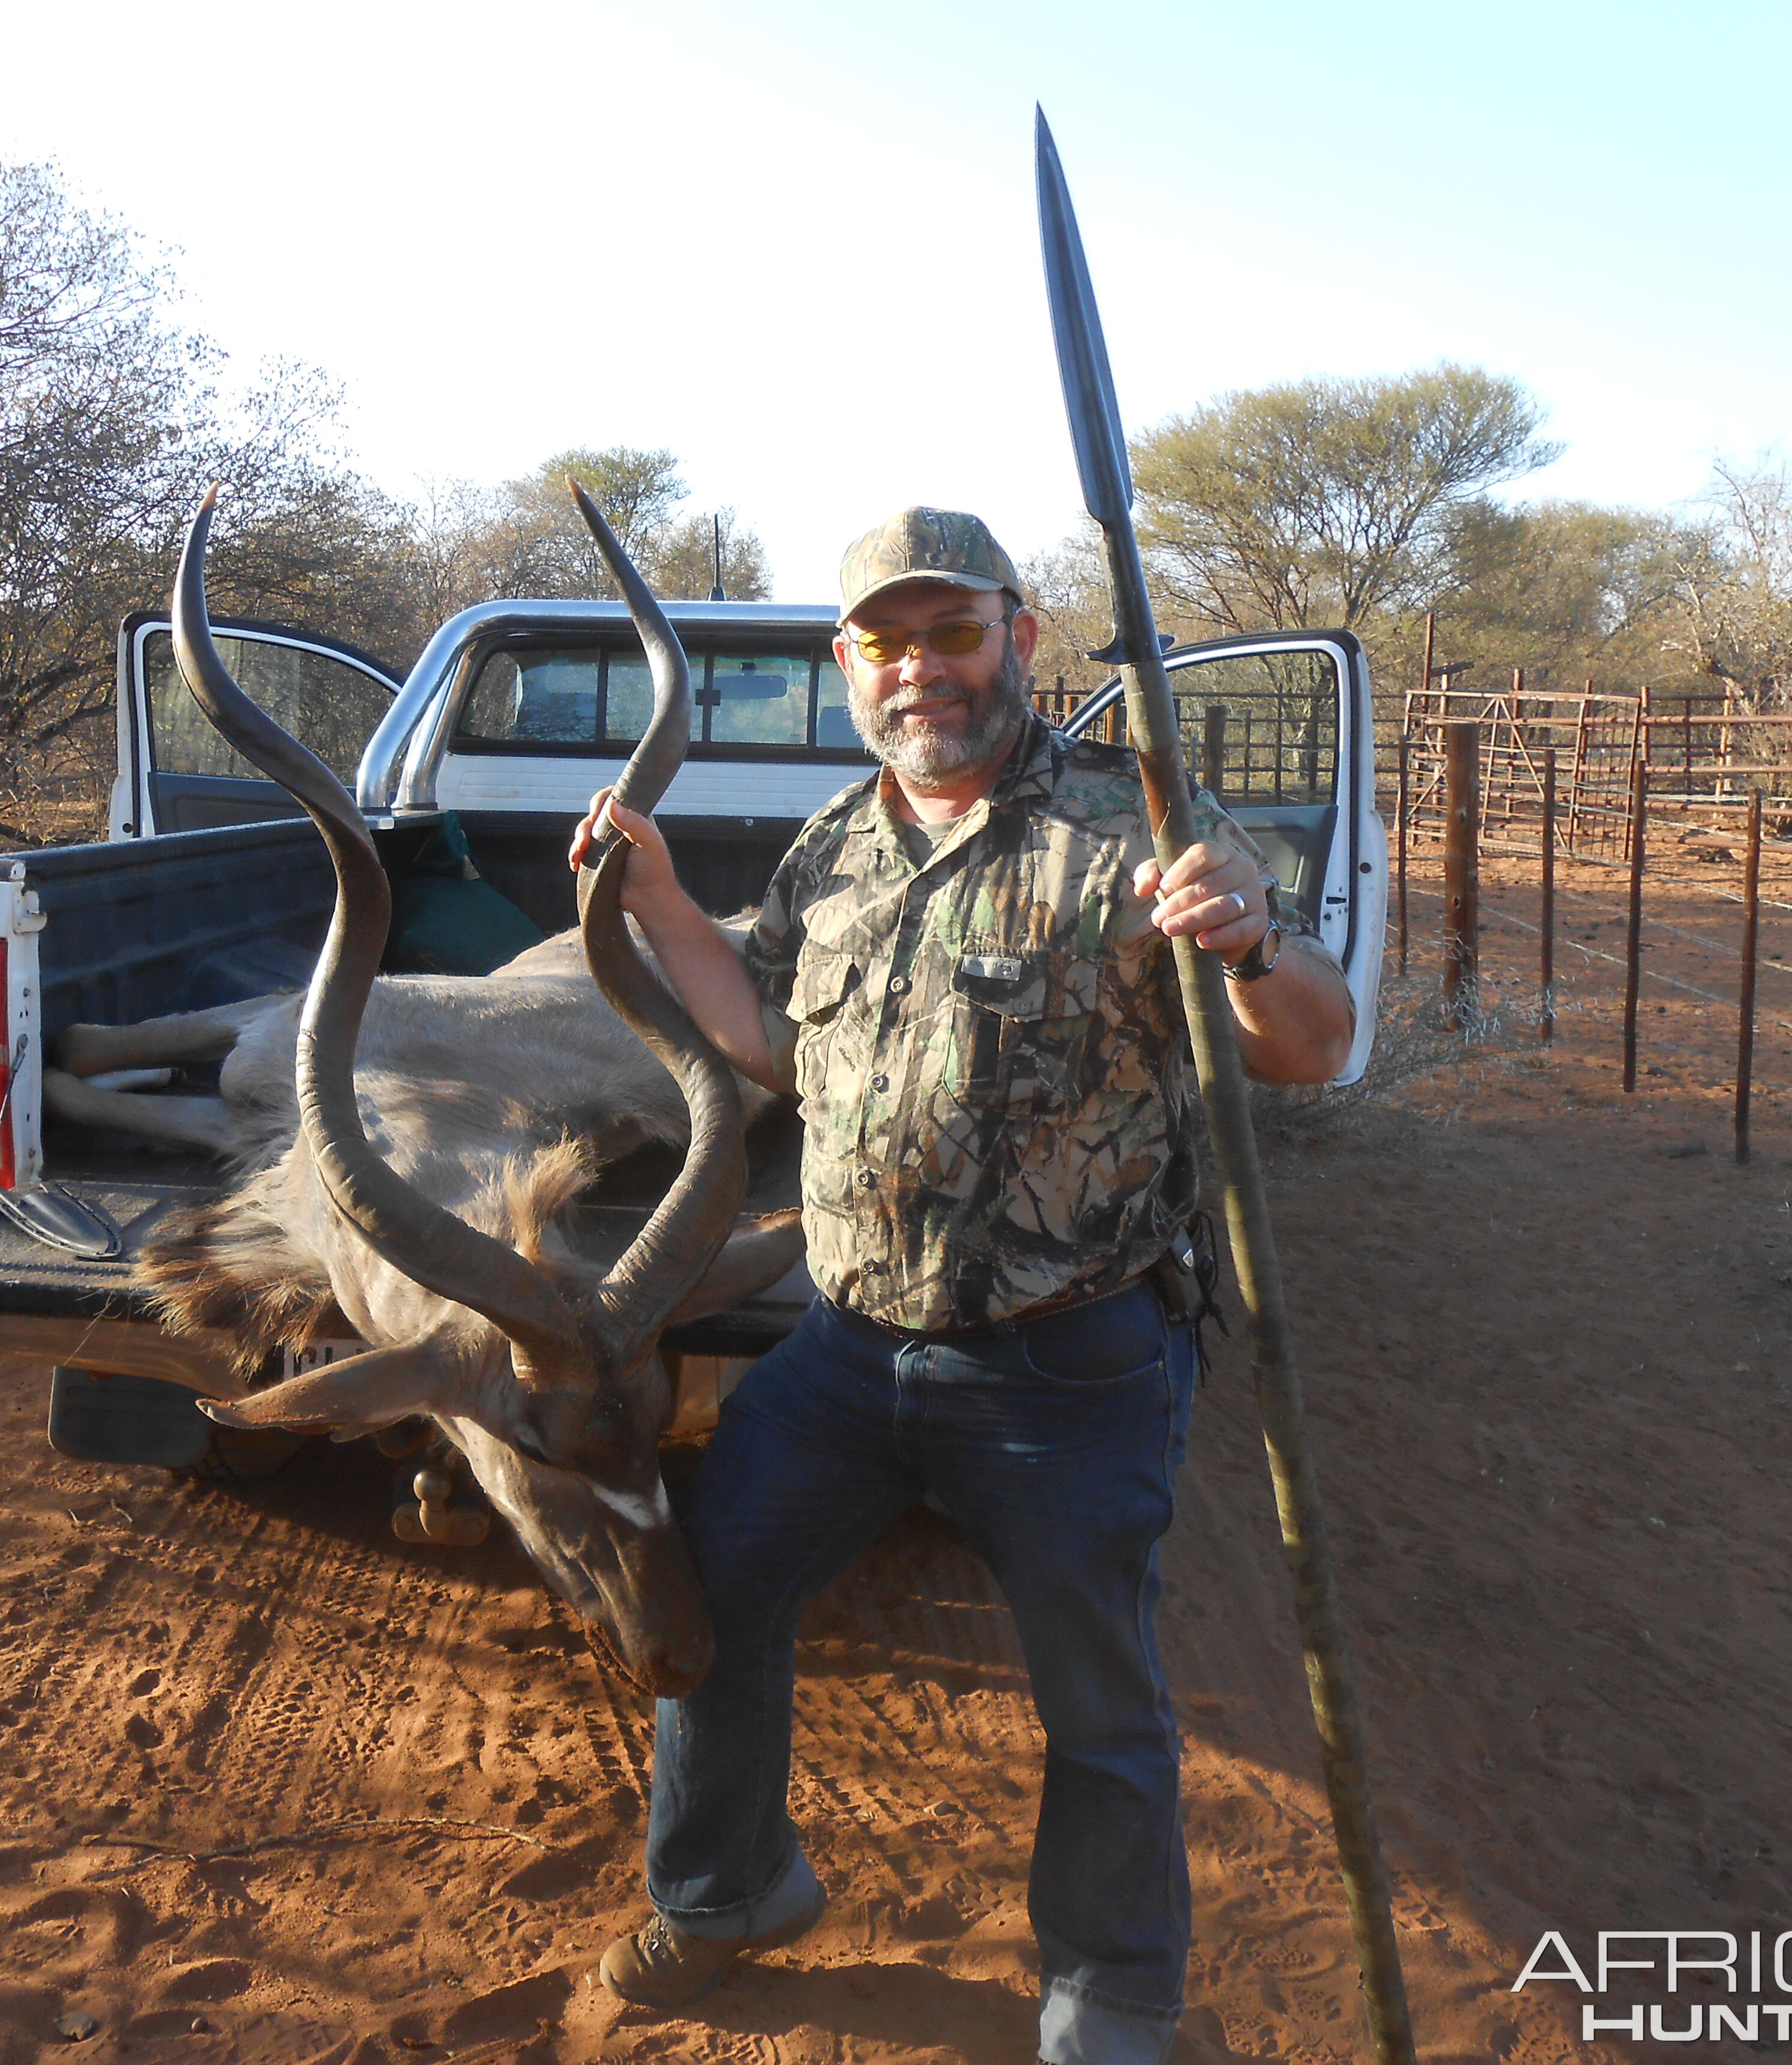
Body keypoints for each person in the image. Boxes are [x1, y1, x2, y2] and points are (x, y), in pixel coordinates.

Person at [567, 507, 1356, 2064]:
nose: (920, 668)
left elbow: (1311, 1047)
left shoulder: (1141, 822)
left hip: (1074, 1369)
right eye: (888, 640)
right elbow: (774, 1046)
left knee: (1098, 1703)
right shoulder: (833, 848)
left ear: (1020, 638)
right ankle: (729, 1889)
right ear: (845, 663)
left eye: (953, 633)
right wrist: (657, 901)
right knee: (710, 1599)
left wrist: (1253, 944)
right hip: (848, 1351)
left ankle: (1112, 1991)